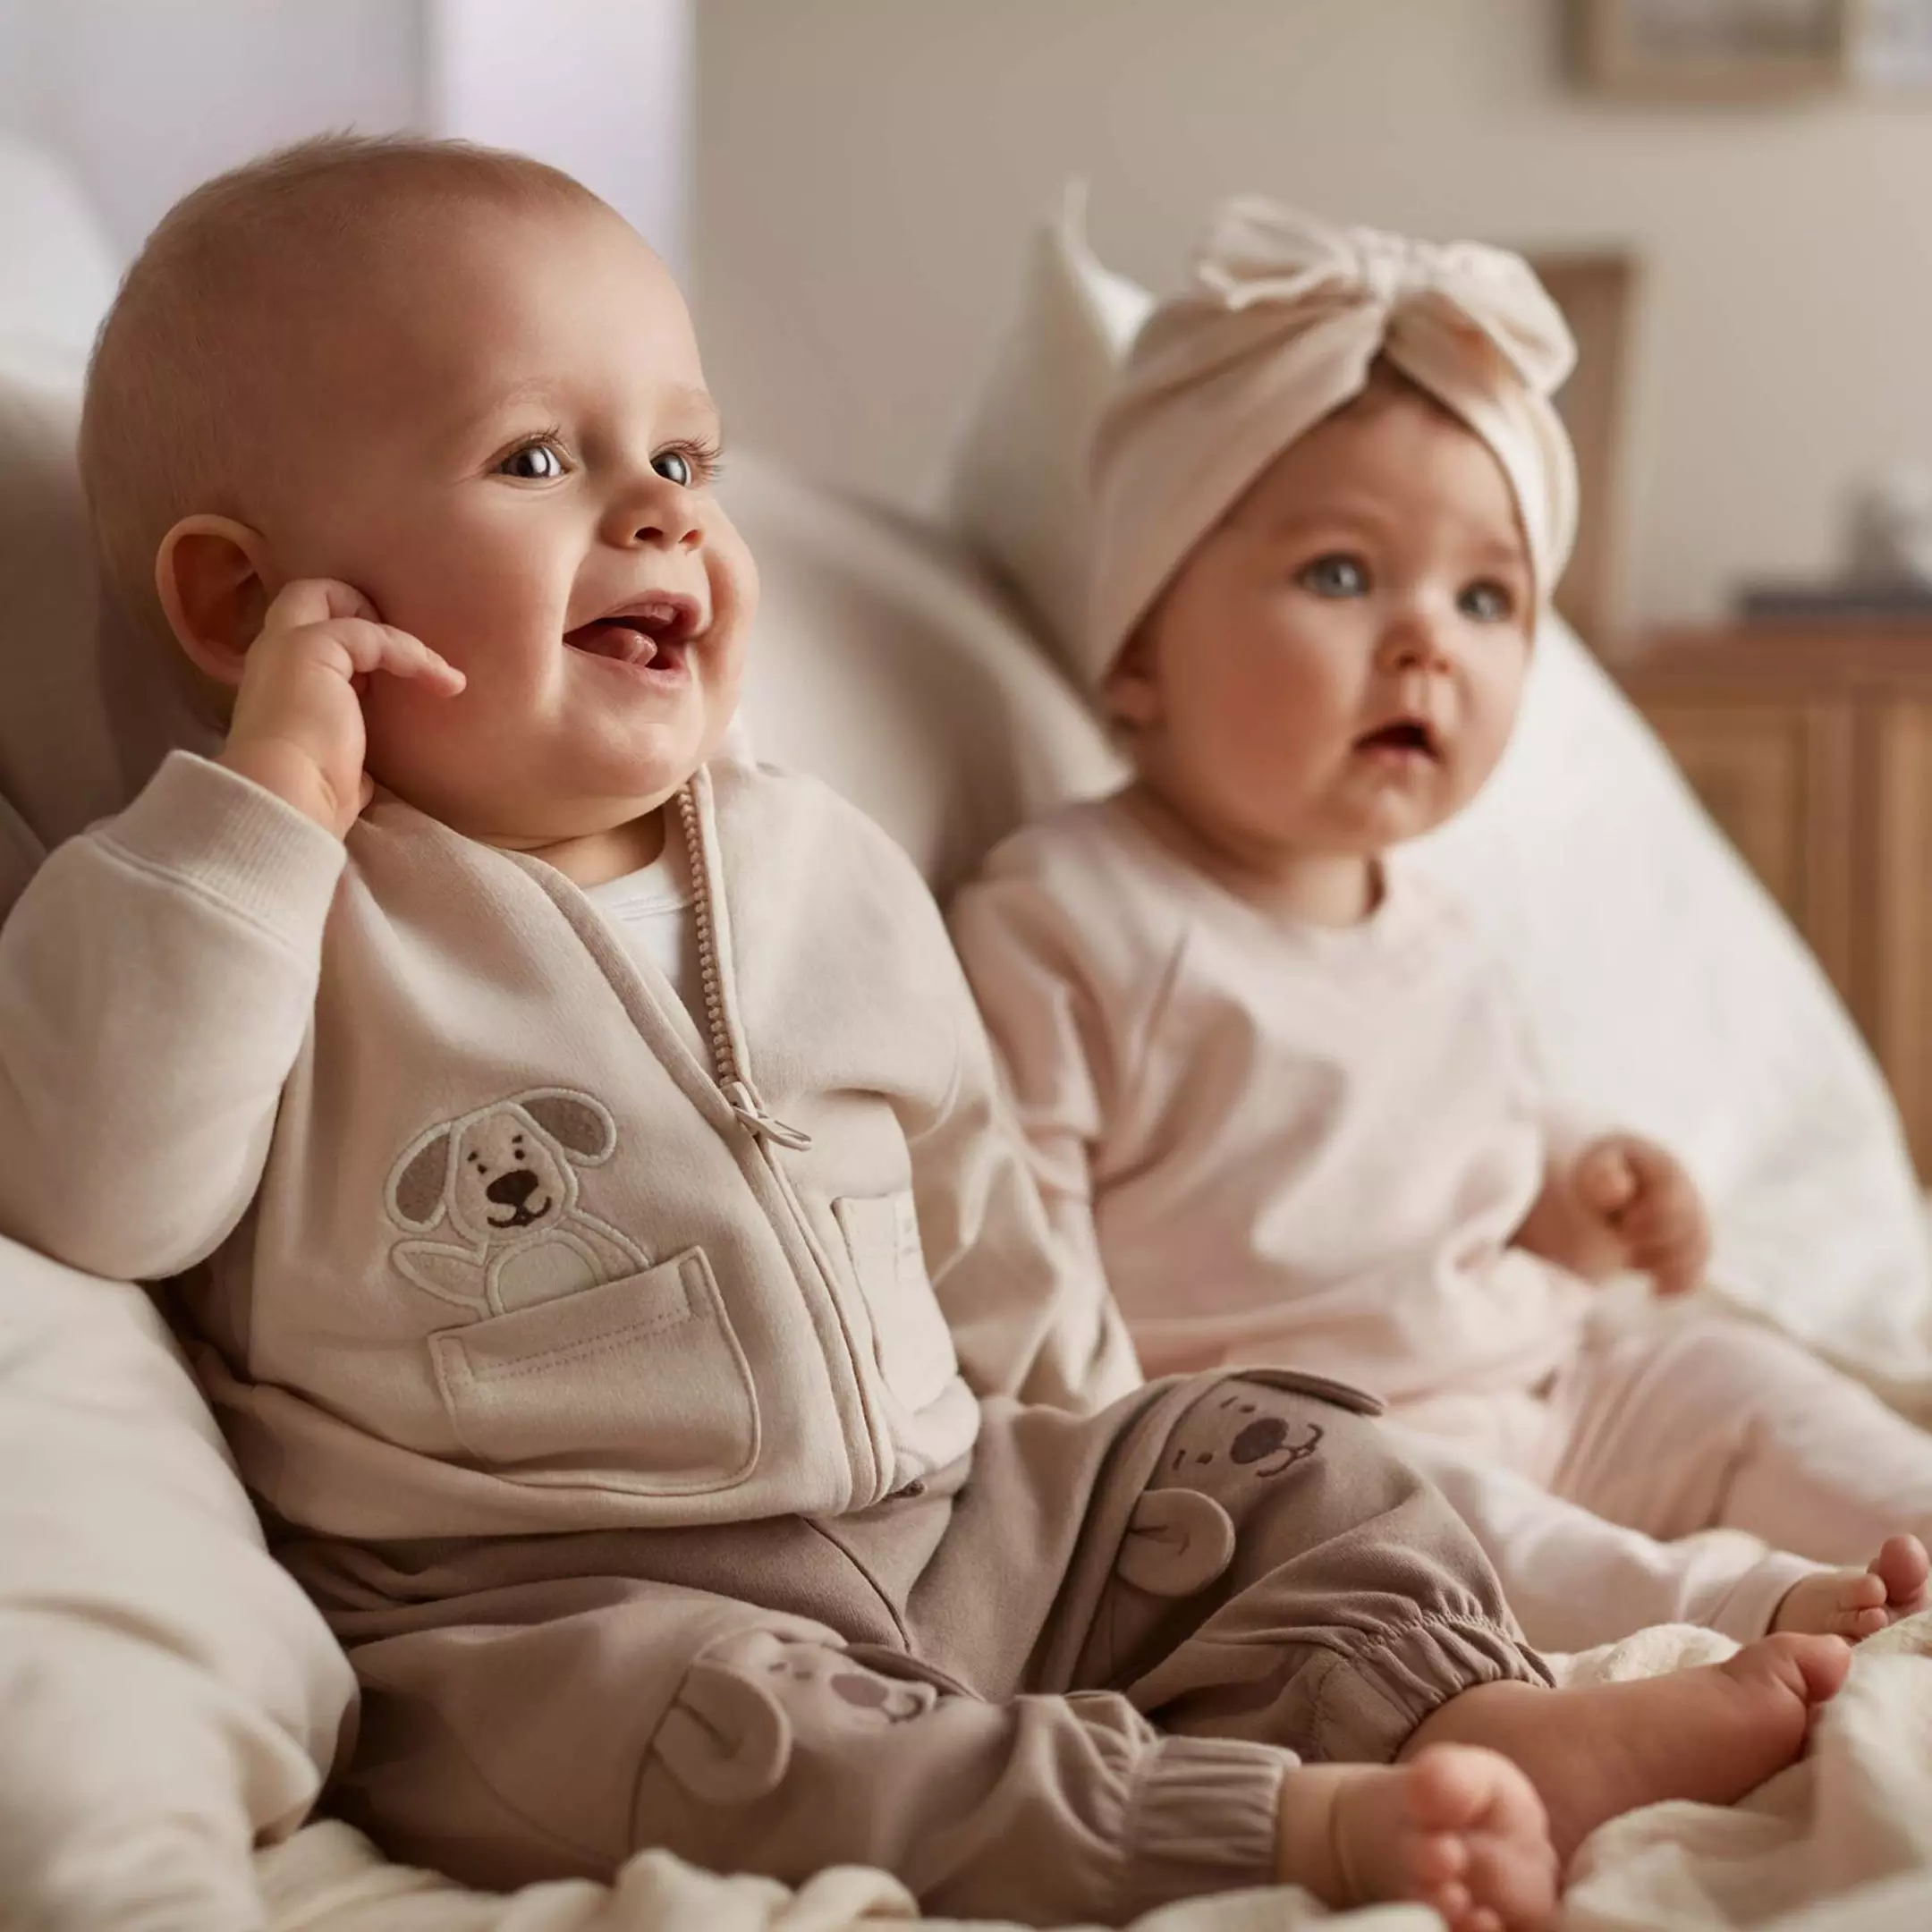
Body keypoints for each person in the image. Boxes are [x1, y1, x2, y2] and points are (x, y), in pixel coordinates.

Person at [0, 143, 1854, 1932]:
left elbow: (978, 1201)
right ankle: (1301, 1825)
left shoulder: (817, 861)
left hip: (952, 1512)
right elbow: (102, 1196)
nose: (656, 512)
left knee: (1275, 1455)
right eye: (539, 456)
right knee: (758, 1749)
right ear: (248, 603)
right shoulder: (248, 902)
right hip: (566, 1616)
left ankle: (1467, 1703)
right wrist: (259, 820)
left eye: (683, 454)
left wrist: (1101, 1432)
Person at [951, 198, 1931, 1662]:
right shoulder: (1070, 918)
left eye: (1486, 597)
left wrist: (1574, 1178)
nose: (1427, 639)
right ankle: (1723, 1616)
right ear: (1141, 649)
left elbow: (1466, 1132)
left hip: (1549, 1370)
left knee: (1730, 1379)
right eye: (1341, 574)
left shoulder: (1434, 910)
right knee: (1432, 1520)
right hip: (1310, 1451)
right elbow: (1011, 1266)